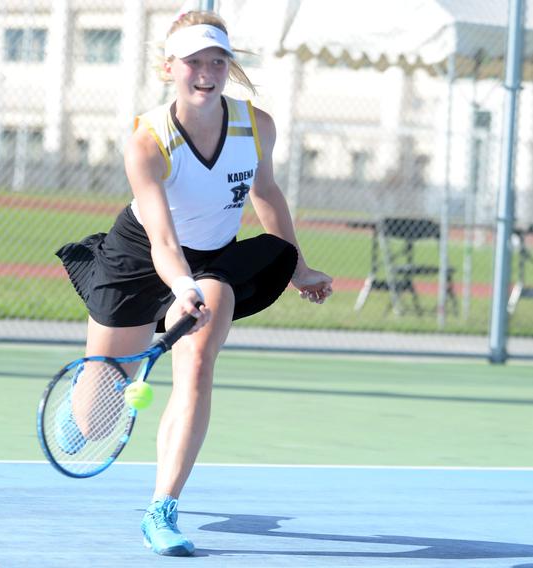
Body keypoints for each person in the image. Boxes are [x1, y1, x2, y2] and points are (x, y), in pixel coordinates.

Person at [55, 10, 333, 556]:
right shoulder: (147, 140)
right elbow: (161, 241)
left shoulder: (257, 126)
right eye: (193, 62)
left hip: (216, 260)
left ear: (228, 66)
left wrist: (298, 268)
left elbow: (267, 195)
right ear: (168, 69)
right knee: (94, 423)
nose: (206, 72)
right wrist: (180, 286)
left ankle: (162, 508)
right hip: (140, 256)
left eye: (217, 61)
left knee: (199, 365)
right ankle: (83, 408)